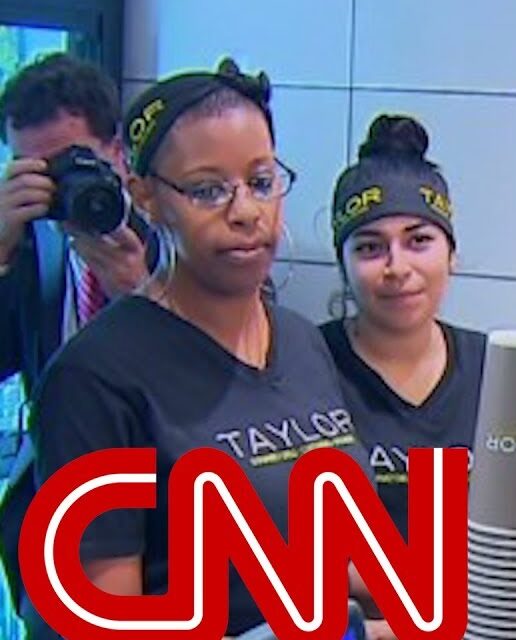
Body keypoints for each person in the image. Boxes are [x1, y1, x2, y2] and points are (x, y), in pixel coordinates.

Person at [27, 59, 368, 638]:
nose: (245, 212)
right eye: (208, 190)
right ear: (146, 197)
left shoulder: (303, 343)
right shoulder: (96, 378)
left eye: (261, 182)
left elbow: (345, 562)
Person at [0, 52, 154, 617]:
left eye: (71, 162)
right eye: (33, 170)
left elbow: (227, 379)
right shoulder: (25, 245)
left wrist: (140, 297)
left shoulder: (174, 237)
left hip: (162, 523)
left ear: (116, 149)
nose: (57, 186)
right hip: (50, 527)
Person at [321, 113, 485, 538]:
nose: (398, 267)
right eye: (371, 247)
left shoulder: (496, 369)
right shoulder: (306, 365)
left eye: (419, 241)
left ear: (452, 253)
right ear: (343, 266)